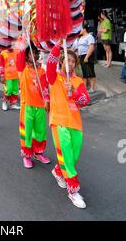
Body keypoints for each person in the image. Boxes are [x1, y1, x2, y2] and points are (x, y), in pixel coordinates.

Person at [46, 41, 90, 209]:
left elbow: (84, 101)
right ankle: (73, 190)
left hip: (75, 123)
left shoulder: (78, 80)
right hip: (58, 121)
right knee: (67, 155)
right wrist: (58, 45)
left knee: (73, 155)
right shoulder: (54, 76)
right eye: (67, 60)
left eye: (72, 61)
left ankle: (58, 171)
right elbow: (50, 61)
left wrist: (74, 90)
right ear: (61, 61)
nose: (70, 63)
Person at [16, 42, 50, 168]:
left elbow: (45, 88)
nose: (33, 55)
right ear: (26, 56)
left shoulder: (41, 71)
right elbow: (19, 56)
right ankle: (27, 155)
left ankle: (38, 152)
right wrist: (25, 40)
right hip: (27, 106)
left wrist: (47, 100)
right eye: (31, 53)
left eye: (35, 53)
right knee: (27, 132)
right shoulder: (22, 69)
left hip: (40, 106)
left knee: (40, 131)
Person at [74, 23, 96, 92]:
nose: (79, 31)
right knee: (84, 73)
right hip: (81, 56)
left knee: (91, 72)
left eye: (80, 29)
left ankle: (92, 88)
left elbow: (91, 48)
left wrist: (86, 57)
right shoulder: (80, 38)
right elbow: (79, 49)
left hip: (87, 56)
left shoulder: (89, 36)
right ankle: (84, 88)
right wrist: (77, 58)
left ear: (84, 29)